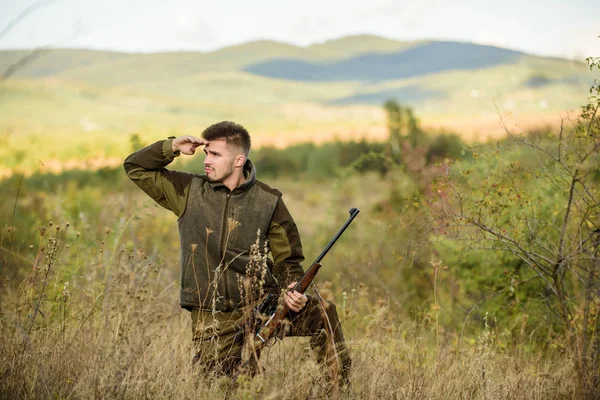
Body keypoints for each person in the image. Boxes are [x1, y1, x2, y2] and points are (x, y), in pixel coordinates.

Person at [123, 121, 350, 383]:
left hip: (263, 301)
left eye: (215, 154)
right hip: (213, 312)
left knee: (323, 314)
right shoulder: (187, 191)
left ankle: (336, 389)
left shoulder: (269, 201)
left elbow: (287, 258)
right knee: (221, 385)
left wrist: (293, 289)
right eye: (207, 153)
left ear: (239, 159)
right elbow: (135, 167)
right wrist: (171, 146)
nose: (207, 160)